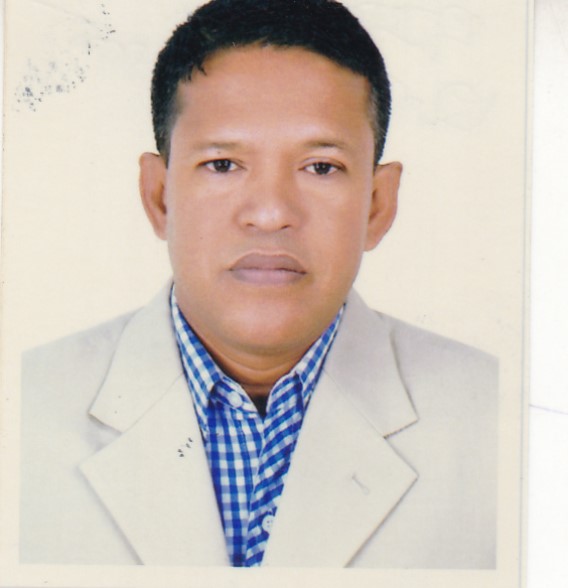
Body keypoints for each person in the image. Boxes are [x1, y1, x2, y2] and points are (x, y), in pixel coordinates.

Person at [21, 0, 498, 568]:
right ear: (159, 196)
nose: (271, 214)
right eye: (223, 164)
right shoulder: (22, 412)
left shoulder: (500, 423)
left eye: (320, 167)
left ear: (377, 204)